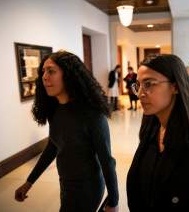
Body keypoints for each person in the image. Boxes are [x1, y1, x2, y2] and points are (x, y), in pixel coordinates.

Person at [14, 51, 119, 212]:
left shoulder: (92, 114)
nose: (44, 77)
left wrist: (113, 201)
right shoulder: (55, 110)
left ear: (69, 75)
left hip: (87, 188)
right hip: (66, 183)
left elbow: (107, 160)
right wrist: (29, 182)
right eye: (43, 72)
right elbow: (54, 145)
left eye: (51, 71)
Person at [127, 54, 189, 211]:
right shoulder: (151, 125)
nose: (140, 93)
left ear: (175, 86)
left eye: (149, 84)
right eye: (138, 85)